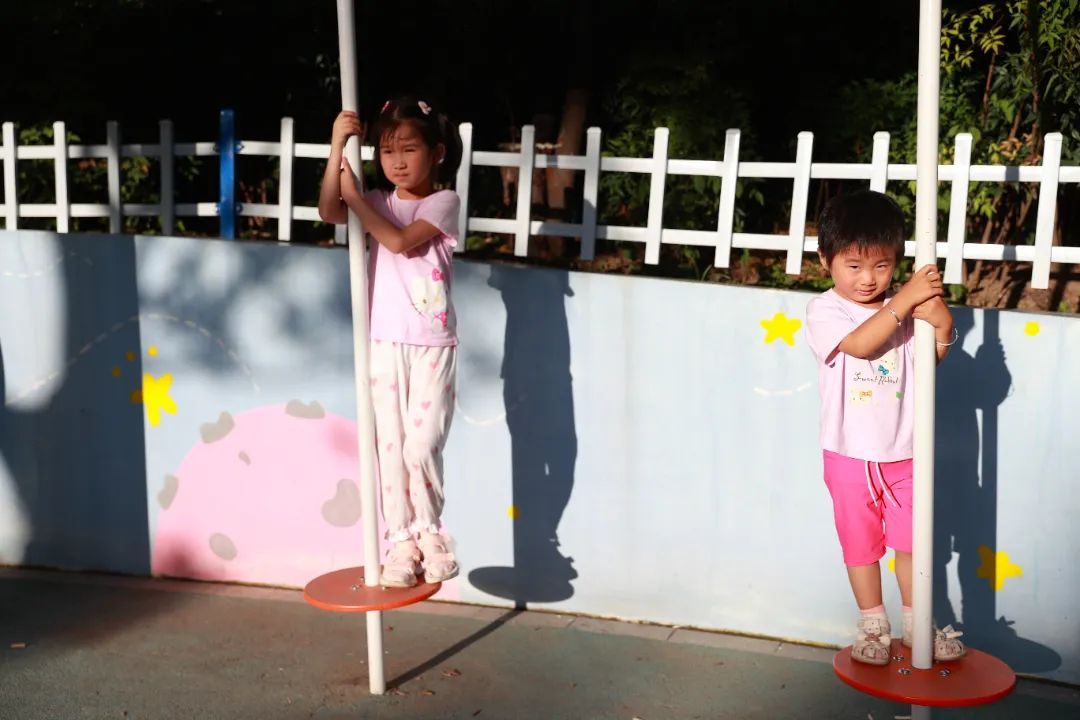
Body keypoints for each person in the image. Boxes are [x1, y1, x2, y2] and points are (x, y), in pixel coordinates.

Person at [805, 190, 965, 665]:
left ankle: (918, 625)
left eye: (881, 265)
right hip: (849, 455)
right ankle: (873, 624)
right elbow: (859, 345)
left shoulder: (907, 306)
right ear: (826, 259)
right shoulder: (825, 310)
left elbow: (928, 362)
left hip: (906, 452)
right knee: (861, 547)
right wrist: (906, 301)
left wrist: (942, 327)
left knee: (913, 544)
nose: (868, 278)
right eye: (853, 266)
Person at [318, 95, 462, 587]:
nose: (397, 161)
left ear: (436, 153)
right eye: (386, 151)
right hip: (383, 341)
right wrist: (337, 146)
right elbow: (329, 210)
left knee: (420, 446)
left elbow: (399, 242)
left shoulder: (442, 202)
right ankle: (401, 542)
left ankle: (431, 533)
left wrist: (357, 199)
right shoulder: (379, 201)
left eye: (409, 149)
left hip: (432, 344)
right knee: (390, 447)